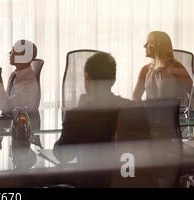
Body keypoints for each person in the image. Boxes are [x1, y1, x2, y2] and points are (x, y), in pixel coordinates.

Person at [54, 52, 152, 187]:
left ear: (87, 78)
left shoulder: (77, 114)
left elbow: (63, 156)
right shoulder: (133, 108)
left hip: (92, 183)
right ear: (113, 80)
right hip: (129, 181)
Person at [0, 39, 40, 150]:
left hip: (21, 132)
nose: (9, 53)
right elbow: (6, 100)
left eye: (13, 51)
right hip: (9, 125)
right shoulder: (15, 75)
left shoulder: (28, 83)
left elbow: (6, 107)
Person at [132, 31, 192, 103]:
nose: (144, 46)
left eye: (148, 42)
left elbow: (192, 93)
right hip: (151, 113)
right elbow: (135, 97)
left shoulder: (175, 67)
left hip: (173, 113)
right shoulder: (145, 69)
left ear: (158, 46)